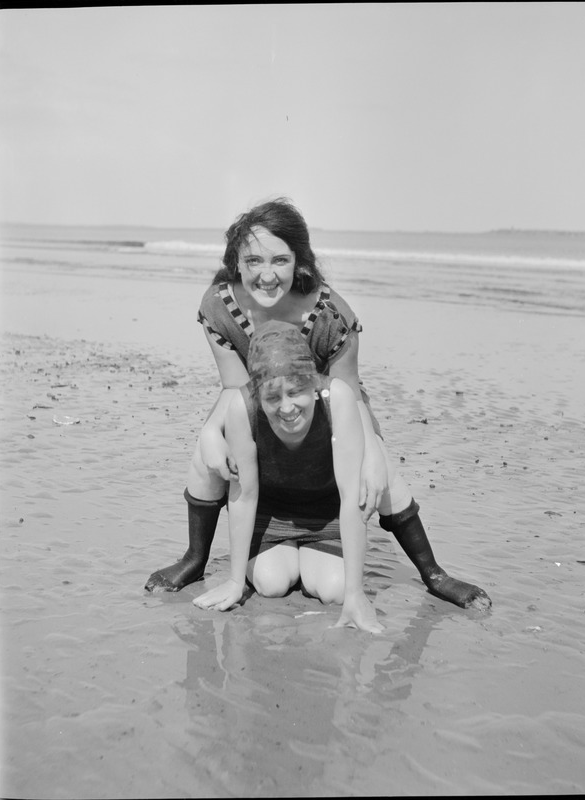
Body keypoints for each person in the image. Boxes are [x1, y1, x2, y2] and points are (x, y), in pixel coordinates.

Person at [145, 198, 491, 610]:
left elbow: (350, 394)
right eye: (253, 260)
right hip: (264, 406)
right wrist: (207, 433)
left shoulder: (331, 316)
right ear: (235, 261)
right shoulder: (219, 305)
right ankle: (194, 558)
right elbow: (234, 386)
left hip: (334, 409)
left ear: (300, 261)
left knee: (377, 466)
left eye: (280, 260)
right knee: (208, 455)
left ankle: (434, 573)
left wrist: (375, 454)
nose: (267, 275)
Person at [192, 321, 383, 633]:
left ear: (312, 381)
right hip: (270, 515)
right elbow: (244, 495)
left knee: (335, 591)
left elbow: (352, 497)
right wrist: (234, 581)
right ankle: (285, 560)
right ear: (257, 394)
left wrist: (356, 594)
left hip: (326, 516)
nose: (287, 407)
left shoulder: (337, 398)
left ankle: (314, 559)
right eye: (272, 398)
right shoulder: (243, 406)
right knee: (270, 584)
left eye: (296, 391)